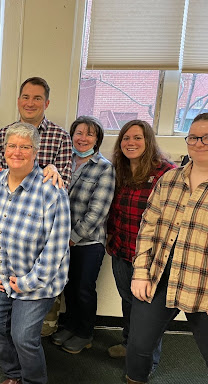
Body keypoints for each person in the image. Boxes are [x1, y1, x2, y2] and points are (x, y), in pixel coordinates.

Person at [0, 76, 73, 367]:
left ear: (37, 152)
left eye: (25, 147)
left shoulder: (54, 187)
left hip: (36, 277)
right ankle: (12, 370)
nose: (17, 151)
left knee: (24, 336)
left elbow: (56, 245)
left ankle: (32, 375)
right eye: (13, 146)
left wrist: (30, 281)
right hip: (1, 270)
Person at [125, 113, 208, 384]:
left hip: (202, 283)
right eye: (194, 137)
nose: (199, 143)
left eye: (206, 137)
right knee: (138, 347)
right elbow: (148, 227)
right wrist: (140, 273)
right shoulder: (170, 179)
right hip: (160, 275)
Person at [105, 120, 176, 366]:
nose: (130, 143)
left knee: (148, 313)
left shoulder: (166, 173)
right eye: (126, 138)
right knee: (129, 302)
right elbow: (114, 209)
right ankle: (129, 344)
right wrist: (110, 235)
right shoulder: (120, 170)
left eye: (137, 138)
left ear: (148, 141)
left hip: (151, 258)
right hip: (122, 251)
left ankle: (146, 361)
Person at [51, 116, 115, 354]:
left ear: (97, 139)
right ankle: (70, 326)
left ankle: (85, 332)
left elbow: (98, 212)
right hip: (60, 240)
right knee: (68, 287)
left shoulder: (104, 168)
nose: (83, 138)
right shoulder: (64, 161)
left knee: (83, 289)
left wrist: (72, 238)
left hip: (88, 241)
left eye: (89, 134)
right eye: (79, 133)